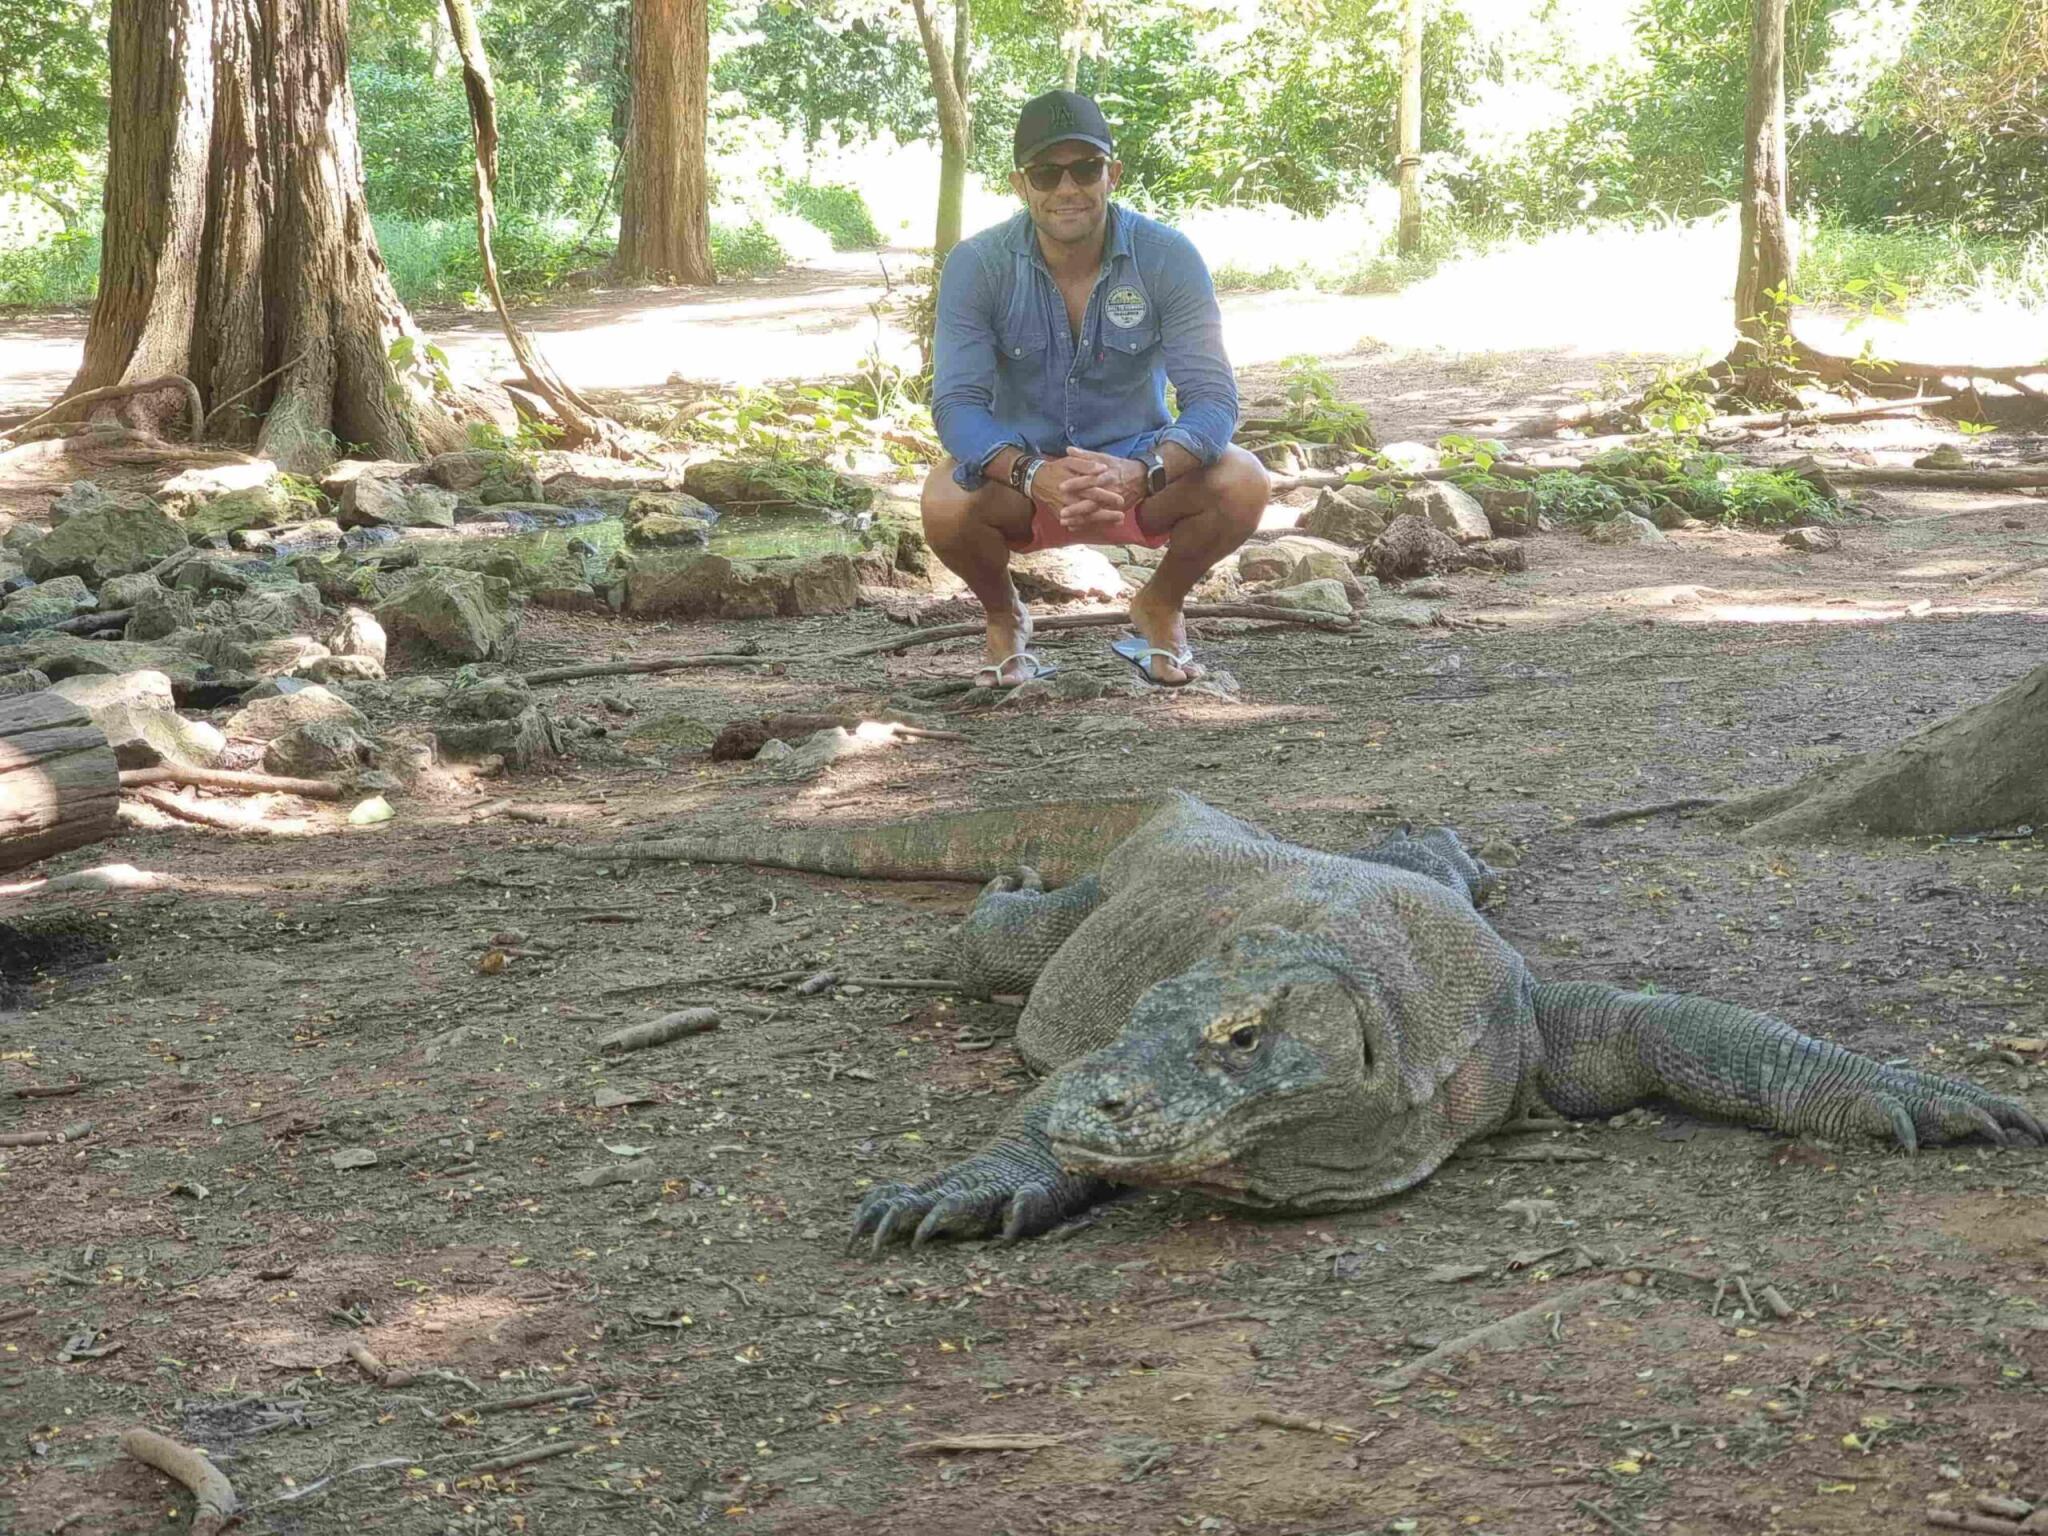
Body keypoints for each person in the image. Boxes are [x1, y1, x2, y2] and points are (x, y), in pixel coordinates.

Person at [921, 89, 1269, 688]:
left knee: (1245, 481)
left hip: (1140, 478)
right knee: (944, 502)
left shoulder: (1168, 257)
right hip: (1023, 484)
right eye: (1045, 172)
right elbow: (956, 408)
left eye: (1085, 168)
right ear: (1019, 184)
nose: (1067, 188)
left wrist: (1142, 471)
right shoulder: (977, 264)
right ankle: (1004, 616)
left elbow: (1214, 401)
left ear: (1113, 172)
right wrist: (1035, 474)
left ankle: (1160, 604)